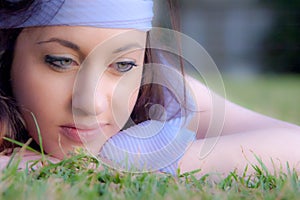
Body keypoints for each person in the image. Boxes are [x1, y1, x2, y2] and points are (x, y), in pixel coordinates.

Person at [0, 0, 299, 177]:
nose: (90, 105)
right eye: (61, 61)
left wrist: (135, 159)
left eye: (123, 65)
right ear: (7, 54)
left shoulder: (158, 87)